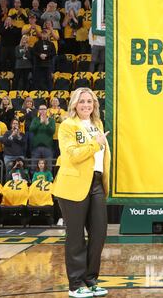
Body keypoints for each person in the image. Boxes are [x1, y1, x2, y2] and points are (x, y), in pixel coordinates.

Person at [52, 87, 110, 298]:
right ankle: (75, 285)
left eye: (89, 101)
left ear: (95, 104)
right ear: (74, 104)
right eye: (82, 101)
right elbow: (73, 155)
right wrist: (96, 144)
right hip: (73, 185)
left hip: (96, 183)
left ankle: (91, 280)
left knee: (99, 234)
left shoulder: (97, 124)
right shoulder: (67, 125)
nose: (86, 105)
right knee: (76, 237)